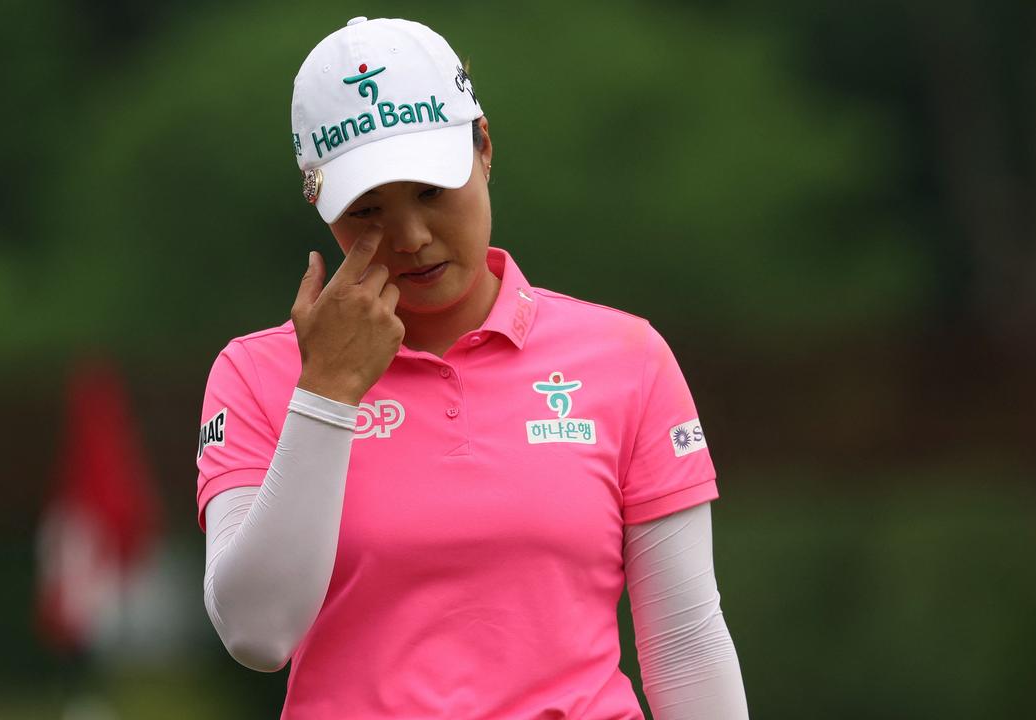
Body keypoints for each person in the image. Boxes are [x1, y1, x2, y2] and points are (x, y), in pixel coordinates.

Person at [196, 16, 749, 720]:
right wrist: (327, 393)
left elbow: (686, 642)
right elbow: (257, 631)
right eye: (367, 211)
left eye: (431, 191)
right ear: (318, 202)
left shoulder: (627, 357)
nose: (411, 237)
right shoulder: (258, 374)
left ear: (483, 147)